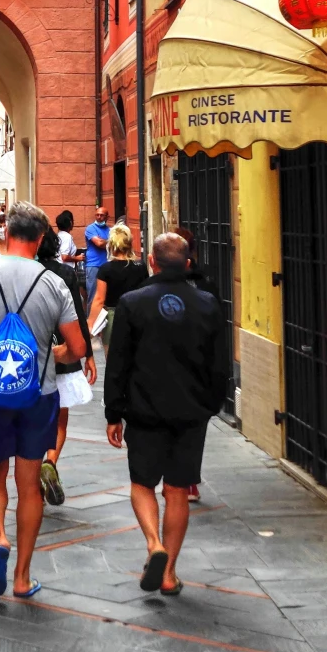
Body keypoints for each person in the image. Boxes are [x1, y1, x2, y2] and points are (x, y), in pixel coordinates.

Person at [0, 201, 85, 599]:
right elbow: (76, 347)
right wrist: (51, 355)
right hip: (37, 398)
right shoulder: (54, 283)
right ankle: (22, 577)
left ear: (6, 233)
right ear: (41, 239)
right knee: (29, 486)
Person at [105, 234, 230, 593]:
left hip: (145, 409)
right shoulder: (207, 304)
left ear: (152, 263)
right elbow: (220, 364)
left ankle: (152, 544)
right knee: (177, 490)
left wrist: (114, 412)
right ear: (187, 263)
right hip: (191, 412)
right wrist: (211, 404)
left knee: (142, 483)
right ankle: (170, 572)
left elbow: (119, 363)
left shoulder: (132, 303)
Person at [37, 221, 95, 507]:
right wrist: (89, 355)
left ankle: (33, 466)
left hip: (31, 353)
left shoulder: (26, 272)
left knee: (34, 414)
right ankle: (51, 461)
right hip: (63, 348)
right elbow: (78, 314)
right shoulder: (66, 273)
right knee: (60, 419)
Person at [88, 220, 148, 337]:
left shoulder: (106, 269)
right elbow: (146, 293)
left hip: (113, 317)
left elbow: (99, 299)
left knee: (112, 354)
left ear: (111, 245)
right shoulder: (141, 266)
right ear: (130, 243)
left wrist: (90, 323)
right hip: (137, 315)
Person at [83, 207, 111, 281]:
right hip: (93, 265)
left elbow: (115, 245)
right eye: (97, 215)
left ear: (107, 217)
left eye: (102, 215)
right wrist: (110, 242)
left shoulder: (110, 230)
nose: (99, 217)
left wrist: (104, 241)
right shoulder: (91, 228)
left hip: (106, 264)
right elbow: (99, 243)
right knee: (93, 292)